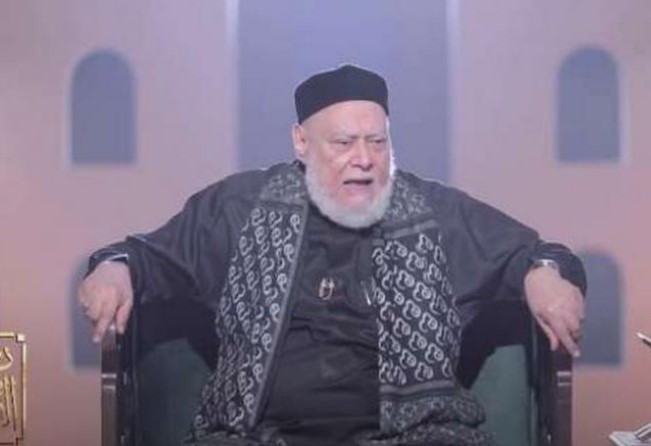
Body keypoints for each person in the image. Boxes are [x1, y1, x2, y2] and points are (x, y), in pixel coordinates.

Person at [78, 64, 586, 446]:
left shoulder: (436, 212)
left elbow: (542, 255)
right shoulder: (237, 208)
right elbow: (144, 257)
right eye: (343, 143)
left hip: (415, 435)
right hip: (256, 435)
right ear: (301, 142)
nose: (363, 159)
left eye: (377, 142)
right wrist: (113, 268)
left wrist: (543, 273)